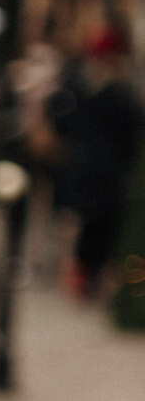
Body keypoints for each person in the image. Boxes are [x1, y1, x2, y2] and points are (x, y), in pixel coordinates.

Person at [49, 26, 145, 299]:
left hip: (90, 167)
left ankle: (86, 273)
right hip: (99, 169)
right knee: (95, 224)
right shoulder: (109, 89)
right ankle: (85, 274)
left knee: (94, 224)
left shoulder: (83, 85)